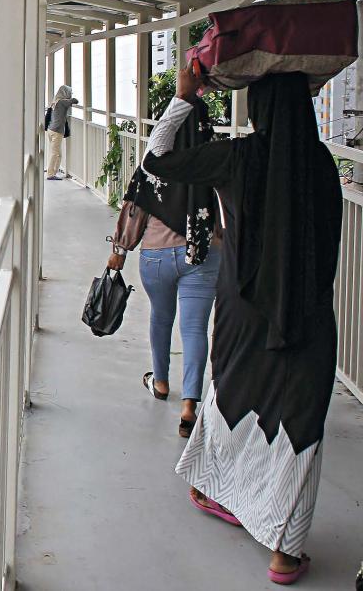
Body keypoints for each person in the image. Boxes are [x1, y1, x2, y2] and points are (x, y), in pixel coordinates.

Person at [145, 68, 343, 584]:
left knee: (232, 398)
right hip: (307, 313)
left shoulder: (238, 159)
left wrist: (184, 100)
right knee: (299, 427)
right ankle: (284, 552)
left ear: (257, 110)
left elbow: (155, 161)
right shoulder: (321, 164)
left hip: (241, 306)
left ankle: (215, 490)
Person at [108, 95, 221, 437]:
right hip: (201, 254)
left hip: (156, 255)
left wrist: (120, 250)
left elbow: (135, 208)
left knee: (161, 317)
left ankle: (159, 382)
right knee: (194, 329)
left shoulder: (154, 162)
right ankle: (190, 404)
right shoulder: (217, 161)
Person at [45, 84, 78, 180]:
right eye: (69, 92)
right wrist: (70, 98)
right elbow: (75, 101)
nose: (70, 94)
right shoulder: (62, 102)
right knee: (55, 153)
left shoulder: (55, 101)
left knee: (57, 154)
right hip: (57, 131)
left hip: (51, 129)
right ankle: (50, 174)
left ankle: (53, 172)